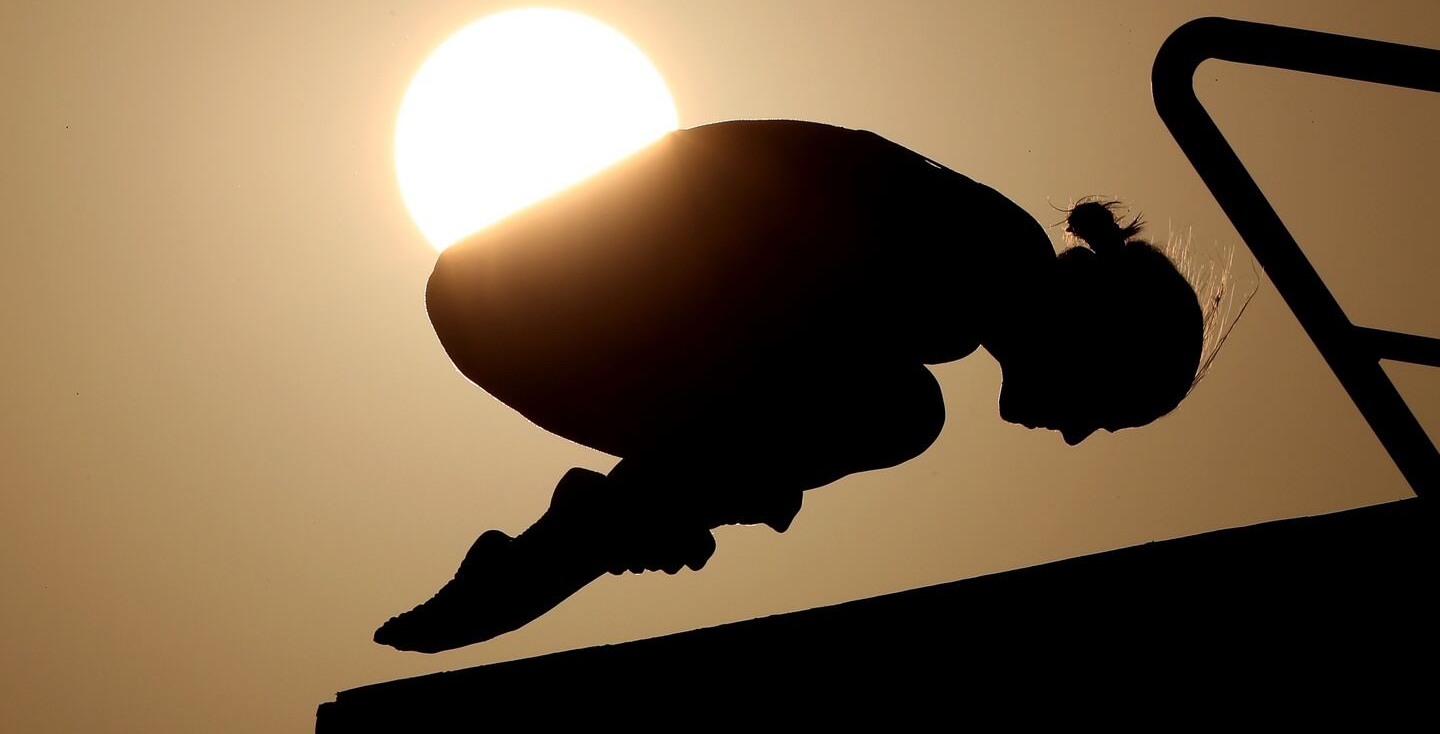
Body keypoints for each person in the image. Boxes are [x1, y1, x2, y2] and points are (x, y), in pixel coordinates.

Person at [374, 120, 1207, 653]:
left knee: (877, 412)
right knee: (900, 412)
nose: (1075, 435)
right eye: (1103, 411)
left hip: (520, 301)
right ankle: (573, 544)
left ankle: (575, 543)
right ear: (1098, 344)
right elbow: (767, 312)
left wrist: (719, 482)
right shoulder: (972, 265)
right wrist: (720, 484)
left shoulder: (977, 260)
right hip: (529, 302)